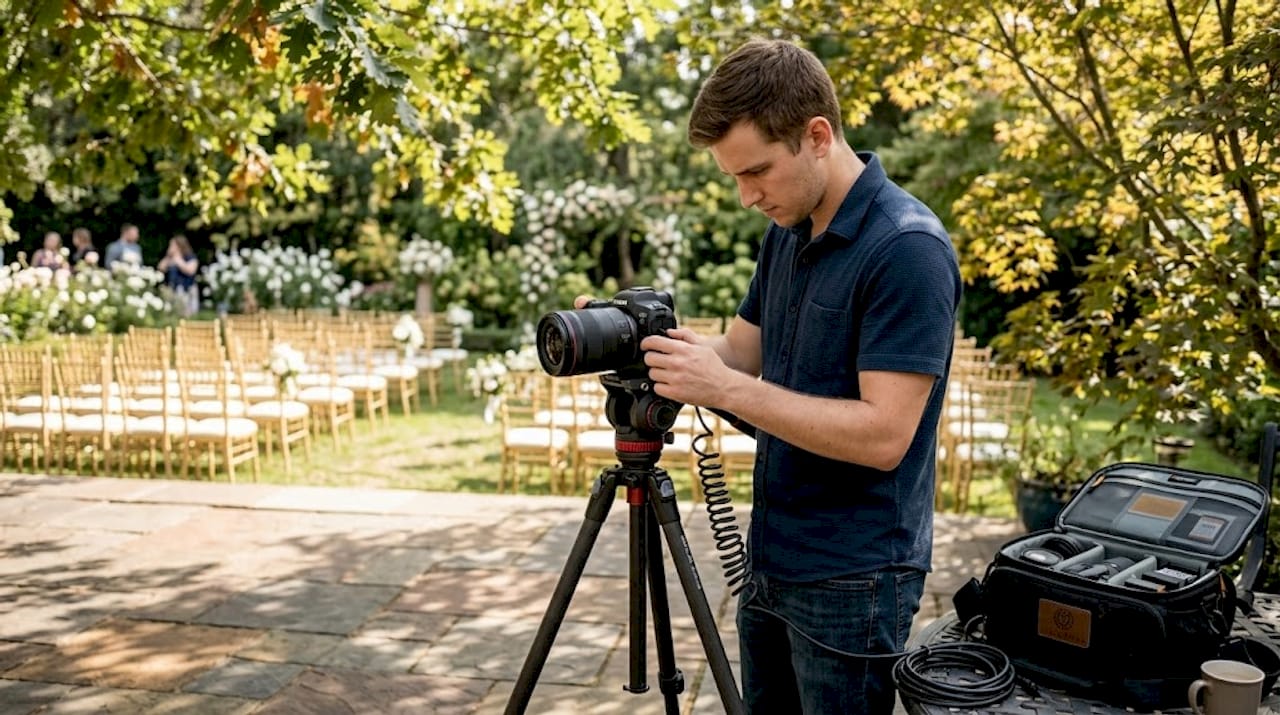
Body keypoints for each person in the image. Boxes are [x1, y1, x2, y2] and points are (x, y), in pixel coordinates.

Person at [633, 39, 961, 714]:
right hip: (772, 556)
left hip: (856, 576)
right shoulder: (788, 230)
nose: (747, 195)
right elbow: (741, 355)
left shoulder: (907, 248)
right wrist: (645, 341)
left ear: (817, 136)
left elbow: (884, 435)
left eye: (756, 171)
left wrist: (723, 389)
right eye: (734, 178)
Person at [158, 234, 199, 316]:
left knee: (187, 313)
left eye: (172, 245)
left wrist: (178, 260)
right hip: (173, 290)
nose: (170, 247)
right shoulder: (169, 258)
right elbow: (161, 268)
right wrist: (168, 257)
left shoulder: (190, 257)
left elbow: (190, 270)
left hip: (187, 290)